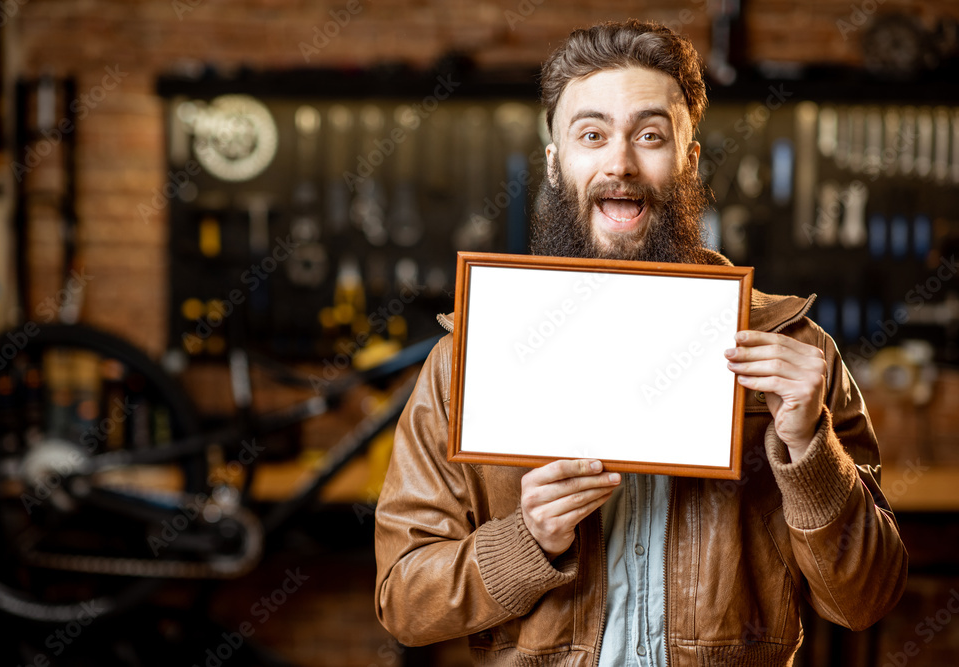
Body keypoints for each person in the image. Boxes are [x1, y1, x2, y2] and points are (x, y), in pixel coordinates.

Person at [374, 19, 907, 666]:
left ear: (689, 159)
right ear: (555, 160)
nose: (620, 162)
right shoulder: (467, 360)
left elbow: (867, 600)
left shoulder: (795, 352)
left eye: (650, 135)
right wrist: (529, 539)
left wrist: (809, 447)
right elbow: (403, 600)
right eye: (591, 134)